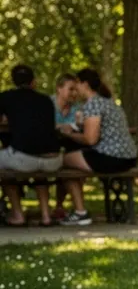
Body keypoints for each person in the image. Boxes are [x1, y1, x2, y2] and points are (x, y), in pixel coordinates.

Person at [60, 68, 136, 225]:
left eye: (77, 85)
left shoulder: (93, 104)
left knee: (63, 162)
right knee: (75, 163)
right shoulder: (108, 102)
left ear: (85, 84)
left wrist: (68, 134)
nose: (76, 90)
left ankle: (80, 212)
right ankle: (78, 208)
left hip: (111, 158)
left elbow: (90, 139)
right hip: (129, 157)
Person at [0, 63, 62, 227]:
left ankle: (17, 214)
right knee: (38, 170)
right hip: (53, 159)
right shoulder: (46, 100)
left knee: (6, 170)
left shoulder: (6, 97)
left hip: (24, 159)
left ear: (13, 81)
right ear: (33, 81)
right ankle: (46, 216)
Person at [51, 72, 81, 219]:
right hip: (49, 148)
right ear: (59, 89)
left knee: (73, 165)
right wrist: (62, 127)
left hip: (70, 147)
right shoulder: (47, 105)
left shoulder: (77, 109)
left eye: (76, 89)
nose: (74, 93)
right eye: (71, 89)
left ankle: (64, 206)